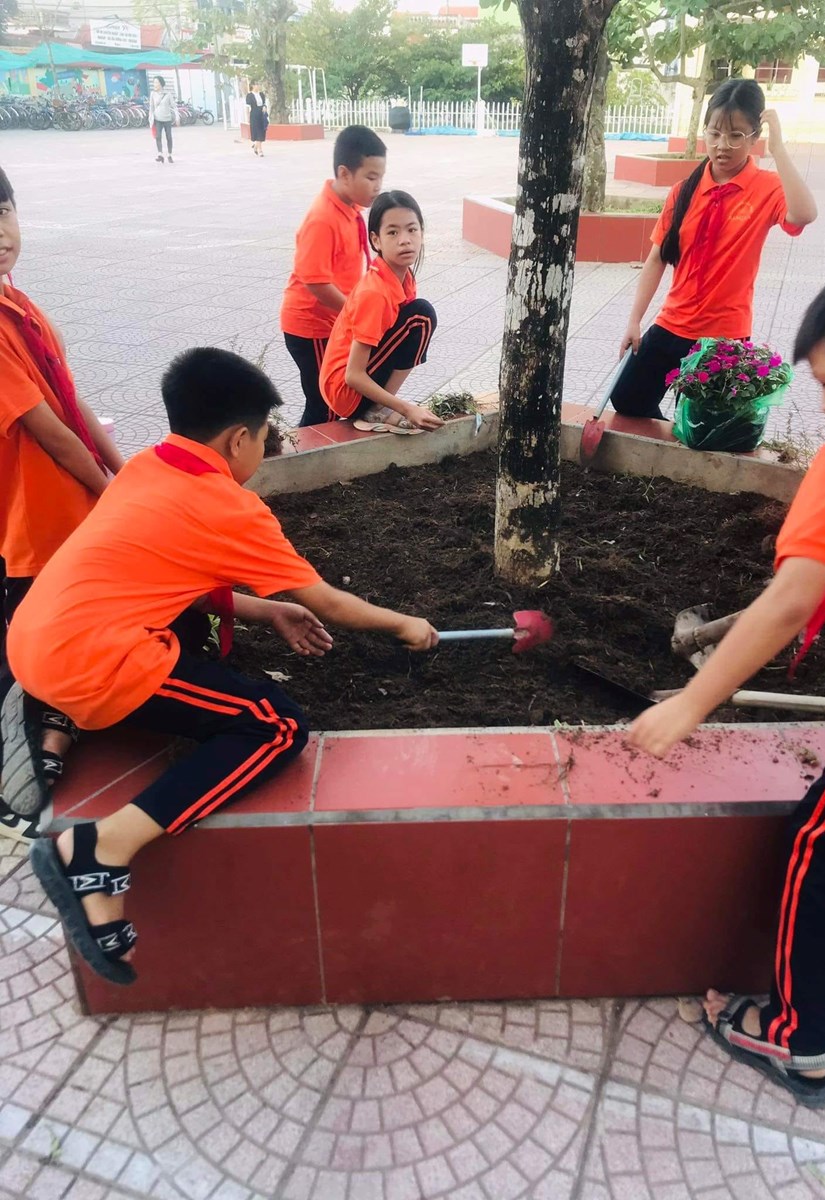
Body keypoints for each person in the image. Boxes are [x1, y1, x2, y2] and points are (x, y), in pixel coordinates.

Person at [2, 346, 439, 985]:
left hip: (30, 640)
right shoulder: (227, 506)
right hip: (91, 663)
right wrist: (406, 624)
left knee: (183, 627)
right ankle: (100, 848)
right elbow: (326, 601)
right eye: (263, 437)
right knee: (275, 725)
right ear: (238, 440)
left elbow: (172, 574)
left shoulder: (150, 464)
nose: (262, 449)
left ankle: (53, 719)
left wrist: (265, 612)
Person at [628, 260, 825, 1108]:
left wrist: (691, 703)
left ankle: (794, 1040)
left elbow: (790, 601)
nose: (822, 406)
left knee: (823, 848)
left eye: (823, 380)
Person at [0, 166, 123, 796]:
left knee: (63, 629)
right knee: (31, 650)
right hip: (33, 520)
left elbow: (72, 402)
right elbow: (46, 430)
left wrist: (123, 472)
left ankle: (54, 732)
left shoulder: (22, 306)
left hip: (67, 508)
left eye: (4, 212)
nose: (1, 232)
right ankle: (25, 781)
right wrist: (111, 490)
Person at [609, 79, 817, 420]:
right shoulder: (684, 190)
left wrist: (779, 148)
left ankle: (685, 433)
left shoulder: (766, 189)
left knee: (705, 425)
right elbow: (656, 260)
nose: (722, 146)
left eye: (736, 135)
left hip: (723, 338)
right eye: (715, 133)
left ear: (754, 136)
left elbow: (805, 213)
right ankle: (672, 436)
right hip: (672, 324)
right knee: (627, 399)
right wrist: (634, 320)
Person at [280, 125, 387, 427]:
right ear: (344, 174)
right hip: (312, 326)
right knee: (324, 403)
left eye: (381, 177)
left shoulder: (349, 207)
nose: (378, 186)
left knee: (327, 402)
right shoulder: (323, 218)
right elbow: (315, 282)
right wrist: (353, 312)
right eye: (371, 177)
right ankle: (304, 453)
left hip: (334, 322)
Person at [320, 190, 442, 434]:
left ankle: (380, 406)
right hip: (346, 391)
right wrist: (406, 408)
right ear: (376, 240)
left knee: (418, 316)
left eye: (412, 229)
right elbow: (353, 375)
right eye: (393, 232)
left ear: (422, 233)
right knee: (421, 316)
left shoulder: (404, 277)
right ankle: (378, 408)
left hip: (352, 385)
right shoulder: (375, 293)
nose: (405, 240)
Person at [149, 76, 179, 164]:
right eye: (154, 82)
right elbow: (151, 107)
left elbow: (174, 106)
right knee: (158, 136)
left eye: (156, 82)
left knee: (169, 137)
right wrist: (150, 118)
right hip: (157, 119)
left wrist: (177, 117)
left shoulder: (168, 94)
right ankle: (160, 155)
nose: (155, 84)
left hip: (167, 119)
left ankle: (169, 155)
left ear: (161, 84)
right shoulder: (152, 94)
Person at [245, 82, 268, 157]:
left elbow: (264, 103)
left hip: (261, 114)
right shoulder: (250, 95)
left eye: (259, 84)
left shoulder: (261, 94)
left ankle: (255, 146)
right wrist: (248, 117)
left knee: (261, 131)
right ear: (252, 86)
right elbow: (247, 107)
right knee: (257, 132)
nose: (258, 86)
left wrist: (264, 107)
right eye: (256, 84)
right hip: (254, 115)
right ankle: (260, 150)